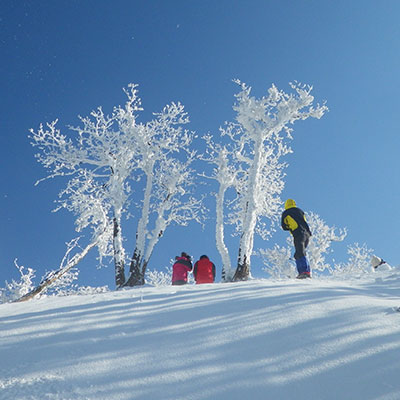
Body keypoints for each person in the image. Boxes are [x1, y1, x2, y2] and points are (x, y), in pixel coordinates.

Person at [281, 199, 312, 279]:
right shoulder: (300, 211)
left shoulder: (286, 213)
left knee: (299, 252)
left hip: (298, 234)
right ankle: (305, 271)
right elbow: (304, 220)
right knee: (299, 253)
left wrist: (290, 227)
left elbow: (284, 226)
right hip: (307, 234)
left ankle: (304, 272)